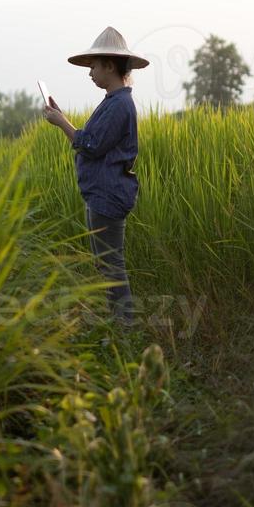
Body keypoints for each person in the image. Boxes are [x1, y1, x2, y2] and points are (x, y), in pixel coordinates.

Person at [43, 26, 149, 329]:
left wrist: (62, 123)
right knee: (105, 265)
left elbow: (90, 145)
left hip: (108, 195)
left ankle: (124, 331)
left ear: (110, 66)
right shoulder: (113, 101)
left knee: (111, 266)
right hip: (100, 193)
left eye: (94, 67)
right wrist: (64, 119)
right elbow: (92, 139)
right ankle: (118, 328)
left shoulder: (119, 105)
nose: (90, 73)